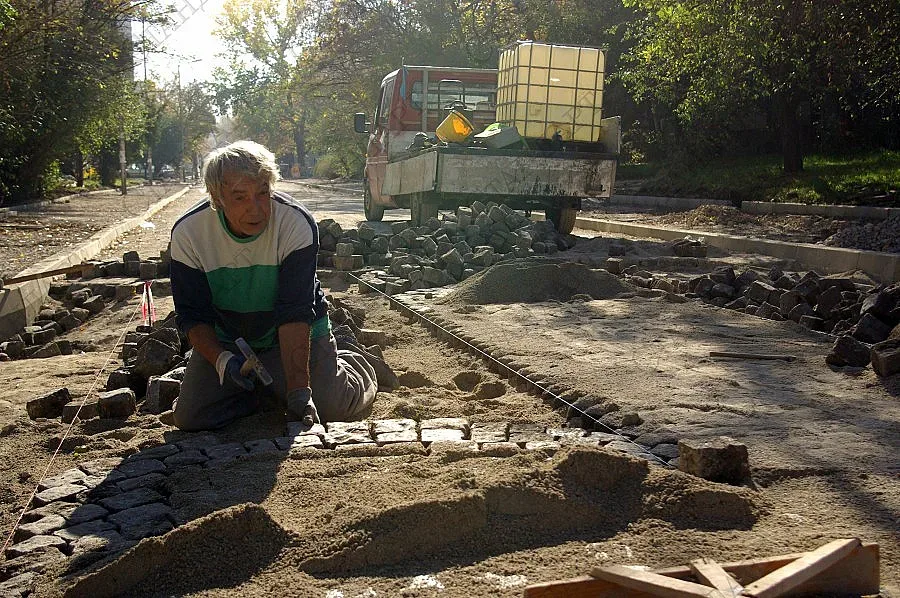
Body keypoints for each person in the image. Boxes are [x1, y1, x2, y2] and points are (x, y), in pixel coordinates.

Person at [169, 140, 377, 431]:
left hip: (294, 332)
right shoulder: (189, 233)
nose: (255, 209)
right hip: (231, 339)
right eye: (240, 197)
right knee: (191, 417)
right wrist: (222, 360)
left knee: (332, 406)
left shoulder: (295, 223)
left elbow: (294, 311)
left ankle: (355, 364)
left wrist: (300, 392)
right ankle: (265, 390)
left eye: (262, 193)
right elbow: (192, 314)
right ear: (217, 198)